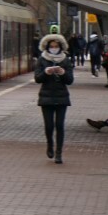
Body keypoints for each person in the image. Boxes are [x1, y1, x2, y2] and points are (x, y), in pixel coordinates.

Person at [34, 32, 73, 164]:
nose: (54, 48)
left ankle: (58, 153)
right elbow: (37, 79)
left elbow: (70, 80)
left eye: (56, 46)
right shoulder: (42, 59)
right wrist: (46, 72)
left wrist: (63, 73)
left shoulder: (66, 60)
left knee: (60, 125)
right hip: (46, 97)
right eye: (52, 46)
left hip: (62, 97)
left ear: (61, 47)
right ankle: (50, 144)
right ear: (47, 47)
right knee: (49, 126)